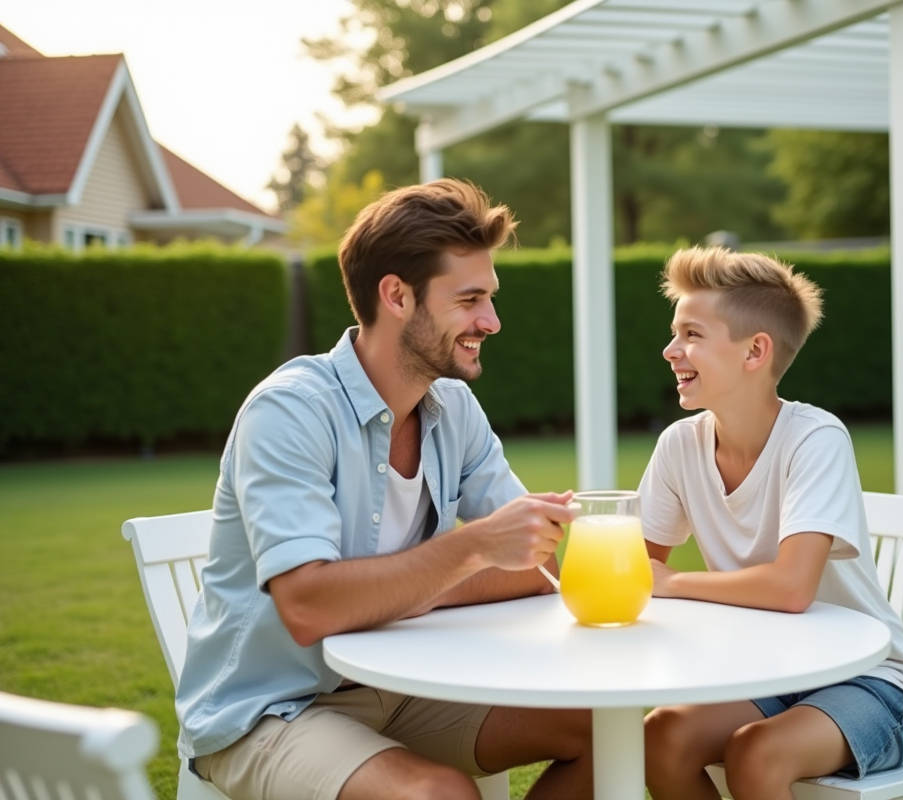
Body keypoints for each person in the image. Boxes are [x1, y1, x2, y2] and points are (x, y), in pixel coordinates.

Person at [175, 179, 592, 800]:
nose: (492, 321)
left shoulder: (453, 408)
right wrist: (468, 550)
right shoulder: (291, 412)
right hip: (270, 709)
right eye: (470, 299)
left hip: (401, 687)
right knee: (439, 794)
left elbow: (536, 564)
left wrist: (399, 593)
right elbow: (310, 607)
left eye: (490, 298)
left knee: (602, 728)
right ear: (397, 295)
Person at [638, 246, 903, 800]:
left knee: (757, 751)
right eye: (675, 332)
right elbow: (634, 568)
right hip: (769, 672)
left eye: (692, 334)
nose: (671, 349)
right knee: (661, 735)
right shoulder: (679, 445)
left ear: (755, 351)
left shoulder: (814, 439)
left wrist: (673, 584)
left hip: (873, 682)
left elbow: (792, 587)